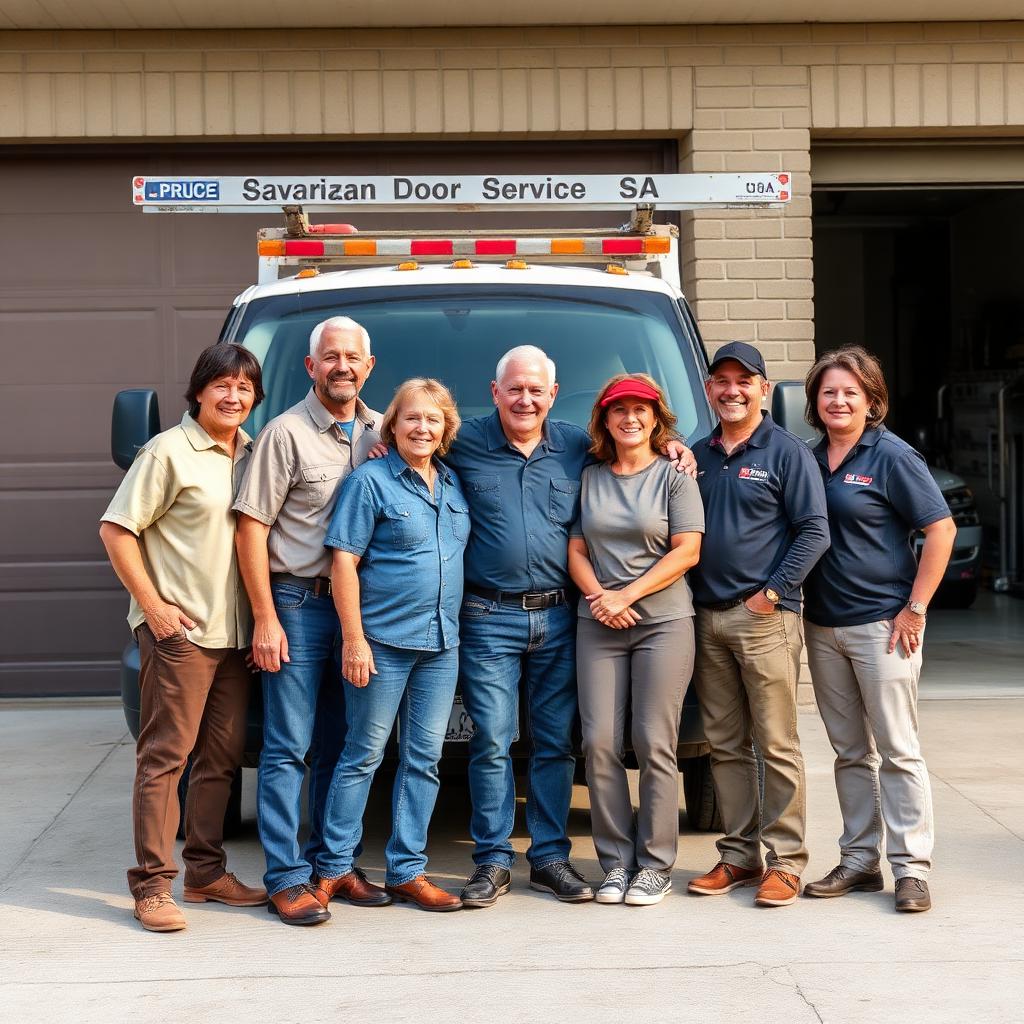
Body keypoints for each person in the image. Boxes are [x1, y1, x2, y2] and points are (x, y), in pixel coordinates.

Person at [448, 346, 693, 909]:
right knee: (491, 740)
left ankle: (551, 858)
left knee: (556, 743)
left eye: (537, 390)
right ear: (495, 391)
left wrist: (673, 447)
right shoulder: (459, 443)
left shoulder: (579, 448)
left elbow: (636, 448)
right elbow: (408, 436)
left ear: (553, 396)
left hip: (562, 616)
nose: (526, 399)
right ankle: (491, 861)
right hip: (490, 616)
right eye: (515, 389)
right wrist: (383, 439)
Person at [99, 343, 268, 932]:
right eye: (221, 384)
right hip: (182, 635)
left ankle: (206, 873)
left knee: (220, 760)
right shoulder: (168, 451)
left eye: (245, 388)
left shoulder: (252, 453)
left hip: (235, 637)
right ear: (198, 391)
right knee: (165, 759)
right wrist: (154, 608)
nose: (233, 396)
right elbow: (117, 531)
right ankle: (151, 885)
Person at [233, 316, 384, 926]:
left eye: (353, 356)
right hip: (296, 606)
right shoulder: (284, 434)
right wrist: (264, 618)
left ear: (368, 366)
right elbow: (251, 528)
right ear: (310, 366)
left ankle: (332, 865)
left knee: (338, 747)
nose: (342, 365)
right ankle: (286, 877)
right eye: (331, 356)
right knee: (286, 749)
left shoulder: (385, 429)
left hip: (362, 614)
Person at [800, 346, 955, 914]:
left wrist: (916, 608)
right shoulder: (810, 459)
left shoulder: (891, 456)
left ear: (871, 400)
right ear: (815, 401)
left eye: (850, 392)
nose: (838, 401)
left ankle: (912, 869)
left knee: (897, 749)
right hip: (823, 626)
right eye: (829, 392)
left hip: (884, 627)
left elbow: (940, 529)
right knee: (848, 752)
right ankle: (860, 860)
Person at [686, 341, 830, 908]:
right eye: (720, 380)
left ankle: (787, 862)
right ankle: (739, 857)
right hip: (706, 618)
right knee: (724, 745)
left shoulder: (786, 452)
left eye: (743, 380)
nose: (731, 389)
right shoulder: (696, 455)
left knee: (776, 744)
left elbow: (814, 530)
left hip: (763, 619)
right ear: (709, 390)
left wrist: (771, 594)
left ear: (763, 389)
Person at [318, 378, 468, 912]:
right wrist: (353, 640)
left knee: (424, 759)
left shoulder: (452, 484)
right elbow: (343, 563)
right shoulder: (370, 482)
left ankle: (407, 871)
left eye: (432, 419)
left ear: (445, 428)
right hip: (380, 642)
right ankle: (334, 867)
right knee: (363, 754)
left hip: (441, 644)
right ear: (393, 425)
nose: (421, 427)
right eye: (411, 418)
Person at [568, 375, 704, 906]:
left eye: (640, 409)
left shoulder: (675, 476)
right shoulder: (590, 476)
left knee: (654, 742)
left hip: (664, 623)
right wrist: (602, 596)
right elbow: (576, 549)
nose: (630, 418)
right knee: (599, 742)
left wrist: (628, 596)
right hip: (597, 623)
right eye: (618, 409)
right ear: (603, 418)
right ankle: (615, 864)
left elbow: (686, 551)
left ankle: (654, 864)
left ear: (656, 417)